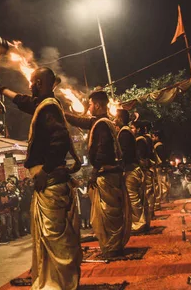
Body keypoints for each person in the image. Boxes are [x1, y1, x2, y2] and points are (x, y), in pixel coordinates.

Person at [0, 67, 82, 289]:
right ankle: (54, 282)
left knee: (55, 239)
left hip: (51, 182)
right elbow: (26, 102)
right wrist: (3, 90)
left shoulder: (48, 109)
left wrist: (44, 171)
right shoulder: (46, 106)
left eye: (32, 82)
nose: (29, 86)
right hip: (51, 182)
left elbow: (61, 139)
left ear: (38, 83)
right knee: (53, 239)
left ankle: (59, 284)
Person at [65, 89, 131, 257]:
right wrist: (62, 112)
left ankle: (112, 247)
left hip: (105, 175)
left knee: (106, 213)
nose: (89, 107)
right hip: (108, 174)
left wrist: (94, 171)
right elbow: (81, 121)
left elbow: (103, 150)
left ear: (99, 105)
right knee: (106, 213)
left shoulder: (102, 124)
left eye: (91, 104)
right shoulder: (100, 122)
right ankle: (111, 246)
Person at [116, 109, 147, 233]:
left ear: (120, 119)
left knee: (133, 198)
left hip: (131, 170)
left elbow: (125, 153)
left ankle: (139, 223)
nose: (114, 119)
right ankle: (140, 222)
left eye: (116, 117)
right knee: (136, 198)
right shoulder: (126, 132)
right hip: (134, 169)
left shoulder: (124, 133)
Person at [131, 120, 155, 225]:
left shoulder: (141, 140)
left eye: (132, 128)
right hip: (144, 169)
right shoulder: (144, 139)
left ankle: (146, 217)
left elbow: (141, 157)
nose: (131, 130)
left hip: (145, 170)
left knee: (147, 193)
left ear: (138, 129)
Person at [152, 130, 171, 203]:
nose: (152, 138)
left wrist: (162, 166)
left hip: (160, 167)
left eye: (153, 137)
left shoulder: (158, 146)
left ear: (157, 137)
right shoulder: (160, 145)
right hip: (161, 167)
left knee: (162, 183)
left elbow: (162, 158)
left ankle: (163, 199)